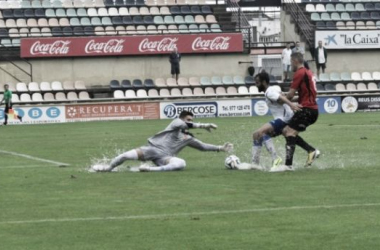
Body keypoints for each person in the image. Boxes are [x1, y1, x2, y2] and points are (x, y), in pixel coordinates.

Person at [91, 111, 233, 172]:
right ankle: (108, 168)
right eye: (188, 120)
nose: (190, 122)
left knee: (181, 163)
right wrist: (202, 125)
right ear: (182, 119)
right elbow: (184, 124)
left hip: (165, 158)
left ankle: (150, 169)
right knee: (125, 156)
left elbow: (202, 146)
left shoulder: (188, 137)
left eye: (192, 120)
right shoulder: (176, 123)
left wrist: (220, 148)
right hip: (151, 149)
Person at [271, 53, 319, 172]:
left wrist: (282, 100)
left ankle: (288, 165)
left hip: (307, 109)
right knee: (286, 131)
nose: (290, 64)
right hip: (311, 109)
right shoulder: (308, 72)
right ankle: (310, 150)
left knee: (289, 132)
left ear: (295, 60)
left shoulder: (300, 73)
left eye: (290, 62)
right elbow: (307, 95)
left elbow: (291, 95)